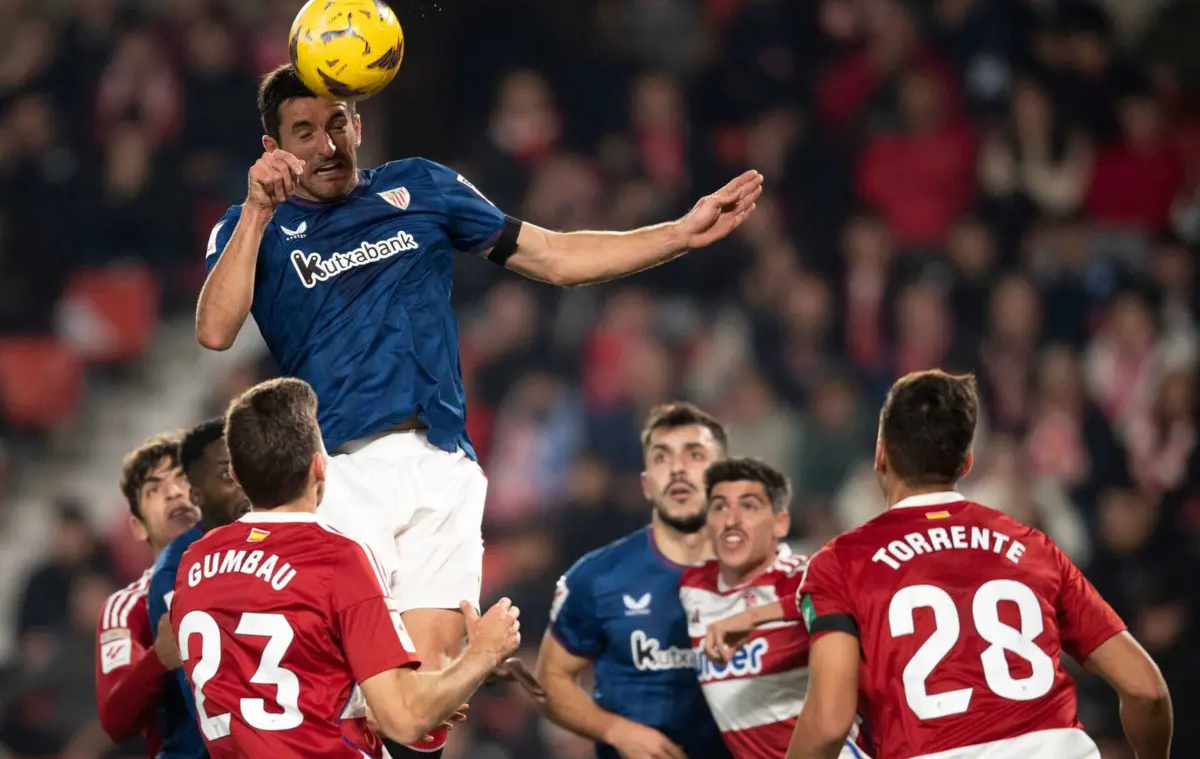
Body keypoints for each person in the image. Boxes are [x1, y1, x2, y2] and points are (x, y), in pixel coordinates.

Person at [196, 64, 761, 758]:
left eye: (338, 122)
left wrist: (678, 233)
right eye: (304, 131)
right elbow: (216, 329)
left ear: (360, 124)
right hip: (337, 475)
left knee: (424, 713)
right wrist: (256, 208)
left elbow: (552, 255)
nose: (327, 143)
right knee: (349, 699)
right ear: (272, 146)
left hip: (442, 465)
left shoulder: (424, 188)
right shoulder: (258, 226)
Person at [786, 370, 1173, 759]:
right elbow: (1147, 690)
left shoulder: (840, 563)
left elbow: (828, 724)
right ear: (966, 463)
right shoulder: (1032, 549)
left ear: (881, 453)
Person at [168, 377, 520, 758]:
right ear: (320, 467)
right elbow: (403, 719)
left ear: (237, 477)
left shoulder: (194, 563)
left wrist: (367, 700)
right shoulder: (336, 560)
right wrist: (483, 653)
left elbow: (263, 676)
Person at [535, 402, 733, 759]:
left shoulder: (773, 576)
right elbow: (551, 680)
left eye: (695, 454)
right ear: (646, 484)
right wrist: (615, 730)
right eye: (661, 457)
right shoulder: (598, 576)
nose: (677, 469)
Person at [680, 458, 866, 759]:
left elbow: (857, 595)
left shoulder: (803, 576)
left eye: (749, 506)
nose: (731, 520)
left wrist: (755, 616)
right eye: (719, 507)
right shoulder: (692, 586)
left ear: (780, 522)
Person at [145, 417, 250, 759]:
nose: (244, 484)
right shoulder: (176, 575)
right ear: (196, 494)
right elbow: (211, 707)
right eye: (226, 475)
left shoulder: (282, 538)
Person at [95, 433, 201, 756]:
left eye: (182, 479)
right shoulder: (127, 608)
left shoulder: (258, 566)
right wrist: (159, 659)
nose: (172, 493)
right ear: (138, 527)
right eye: (154, 490)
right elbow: (115, 720)